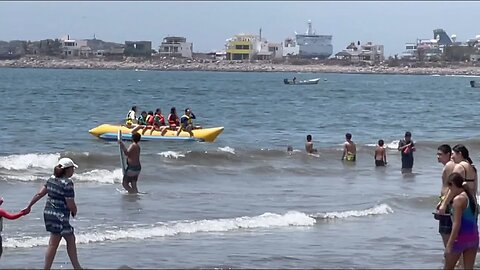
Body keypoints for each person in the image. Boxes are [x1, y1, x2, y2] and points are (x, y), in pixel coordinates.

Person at [23, 158, 82, 270]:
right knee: (63, 241)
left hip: (49, 214)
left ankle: (51, 268)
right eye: (72, 168)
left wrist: (29, 206)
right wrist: (74, 211)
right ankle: (75, 267)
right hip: (60, 216)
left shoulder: (51, 179)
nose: (73, 170)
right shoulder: (67, 183)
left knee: (60, 241)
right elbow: (70, 203)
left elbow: (39, 194)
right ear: (67, 170)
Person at [443, 172, 479, 270]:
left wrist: (449, 245)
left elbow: (456, 223)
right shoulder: (471, 197)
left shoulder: (458, 200)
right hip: (473, 237)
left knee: (448, 268)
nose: (450, 190)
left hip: (460, 239)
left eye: (450, 187)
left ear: (453, 185)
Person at [439, 144, 478, 215]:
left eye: (453, 154)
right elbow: (474, 188)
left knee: (455, 225)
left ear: (460, 154)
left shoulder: (459, 167)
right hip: (471, 203)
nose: (451, 157)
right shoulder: (472, 168)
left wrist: (444, 204)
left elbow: (452, 188)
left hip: (460, 203)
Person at [434, 144, 456, 248]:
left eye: (440, 154)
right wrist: (441, 200)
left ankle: (451, 258)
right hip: (447, 200)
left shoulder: (449, 166)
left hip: (449, 202)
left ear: (448, 154)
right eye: (437, 154)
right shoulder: (449, 166)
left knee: (446, 232)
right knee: (446, 232)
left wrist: (444, 203)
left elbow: (451, 186)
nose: (438, 157)